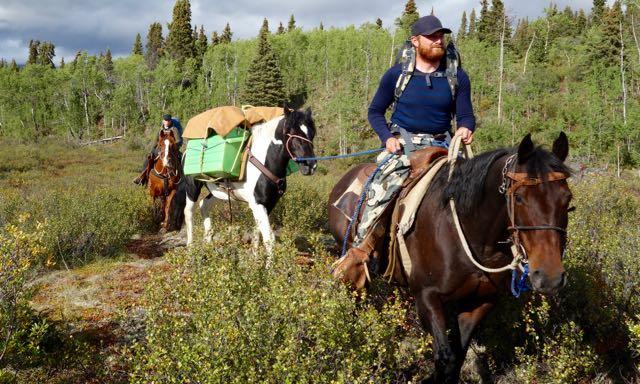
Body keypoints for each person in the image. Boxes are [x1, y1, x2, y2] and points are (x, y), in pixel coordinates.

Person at [341, 15, 477, 272]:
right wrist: (388, 139)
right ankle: (361, 254)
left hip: (444, 146)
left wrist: (466, 127)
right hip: (404, 146)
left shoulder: (457, 76)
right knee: (380, 192)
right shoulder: (396, 75)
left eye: (441, 36)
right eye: (432, 37)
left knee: (477, 190)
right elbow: (375, 112)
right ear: (415, 41)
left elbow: (466, 114)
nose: (438, 41)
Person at [133, 114, 183, 186]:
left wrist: (172, 146)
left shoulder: (174, 129)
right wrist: (152, 151)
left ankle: (183, 179)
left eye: (168, 121)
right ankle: (142, 177)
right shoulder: (160, 130)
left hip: (171, 149)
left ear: (170, 121)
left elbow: (178, 141)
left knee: (181, 159)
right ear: (163, 121)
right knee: (148, 159)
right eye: (165, 121)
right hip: (160, 149)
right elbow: (155, 141)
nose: (167, 122)